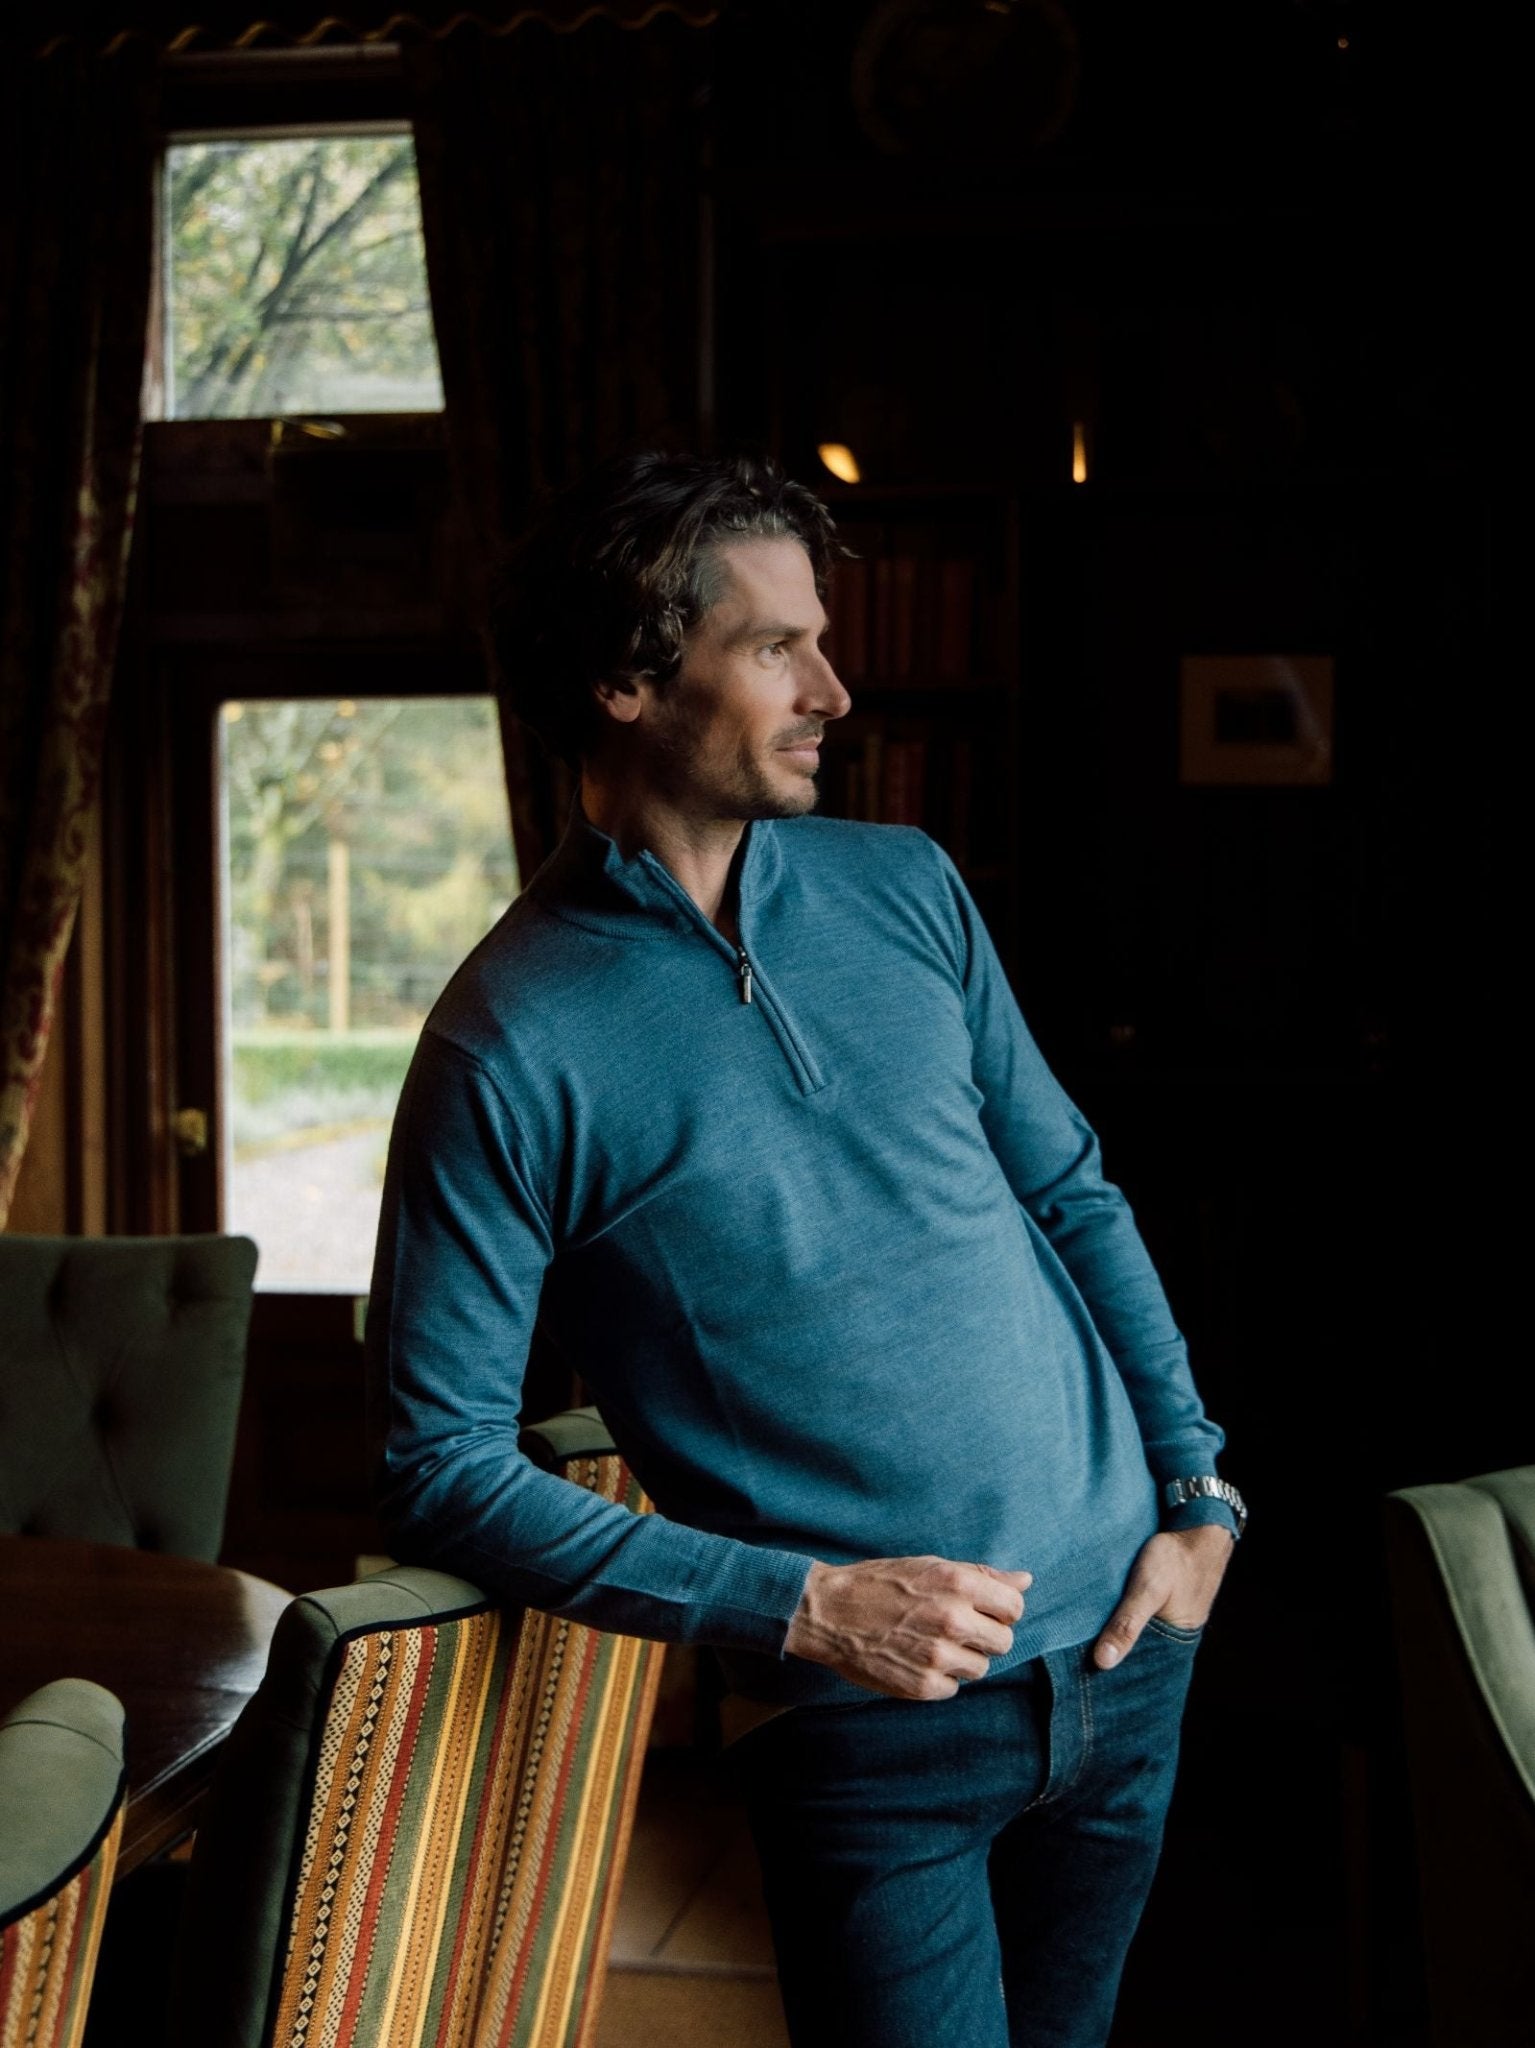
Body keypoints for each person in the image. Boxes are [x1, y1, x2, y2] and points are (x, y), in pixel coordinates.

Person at [366, 451, 1244, 2048]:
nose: (833, 687)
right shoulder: (507, 1045)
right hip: (868, 1735)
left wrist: (1201, 1498)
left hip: (1132, 1648)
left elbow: (1072, 1192)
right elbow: (438, 1463)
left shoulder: (907, 887)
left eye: (821, 638)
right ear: (629, 679)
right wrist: (800, 1609)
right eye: (775, 646)